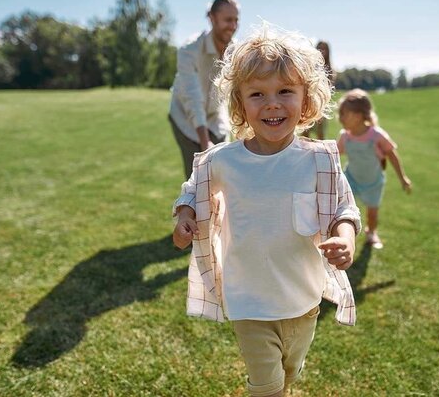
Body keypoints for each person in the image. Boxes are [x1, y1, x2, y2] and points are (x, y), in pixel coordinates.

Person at [172, 24, 361, 397]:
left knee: (290, 373)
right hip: (249, 301)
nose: (272, 103)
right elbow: (194, 190)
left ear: (306, 100)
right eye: (258, 94)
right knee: (268, 385)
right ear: (240, 105)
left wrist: (345, 237)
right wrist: (185, 217)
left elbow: (343, 206)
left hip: (303, 300)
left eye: (285, 92)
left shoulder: (319, 160)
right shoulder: (223, 161)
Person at [168, 0, 239, 179]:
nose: (232, 26)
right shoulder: (189, 50)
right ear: (212, 18)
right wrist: (205, 142)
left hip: (216, 119)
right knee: (198, 178)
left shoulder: (236, 53)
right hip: (186, 120)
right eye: (227, 20)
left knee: (224, 174)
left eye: (236, 20)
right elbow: (193, 98)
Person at [337, 89, 412, 249]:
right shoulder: (345, 136)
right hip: (351, 178)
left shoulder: (376, 135)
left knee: (372, 212)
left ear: (357, 116)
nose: (340, 118)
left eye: (343, 114)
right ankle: (339, 233)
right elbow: (335, 154)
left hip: (373, 182)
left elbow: (392, 155)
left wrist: (402, 177)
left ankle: (371, 233)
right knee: (341, 205)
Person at [301, 40, 335, 140]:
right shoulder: (310, 66)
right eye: (320, 49)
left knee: (320, 134)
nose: (322, 51)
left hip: (322, 105)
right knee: (305, 131)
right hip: (308, 103)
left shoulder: (330, 69)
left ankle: (319, 153)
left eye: (324, 49)